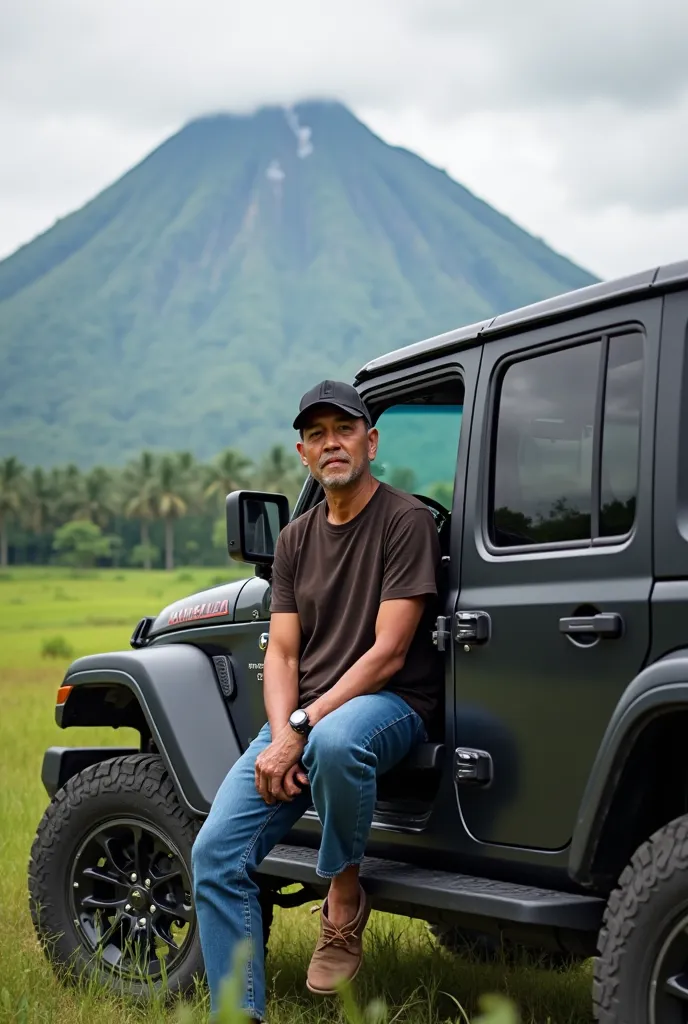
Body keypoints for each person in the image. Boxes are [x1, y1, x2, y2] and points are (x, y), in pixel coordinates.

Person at [192, 380, 442, 1022]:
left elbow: (388, 653)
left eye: (346, 429)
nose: (333, 443)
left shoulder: (405, 520)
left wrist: (302, 724)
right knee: (215, 856)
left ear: (371, 441)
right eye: (318, 434)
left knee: (337, 740)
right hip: (301, 720)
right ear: (304, 453)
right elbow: (280, 654)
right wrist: (281, 733)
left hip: (389, 705)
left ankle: (343, 895)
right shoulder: (295, 540)